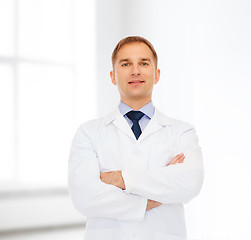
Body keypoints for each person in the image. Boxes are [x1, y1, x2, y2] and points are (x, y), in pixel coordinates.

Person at [68, 36, 204, 240]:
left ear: (156, 74)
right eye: (126, 64)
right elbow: (84, 197)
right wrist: (153, 197)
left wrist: (119, 178)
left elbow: (190, 183)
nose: (135, 71)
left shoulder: (181, 131)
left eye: (144, 63)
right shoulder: (89, 133)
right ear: (113, 76)